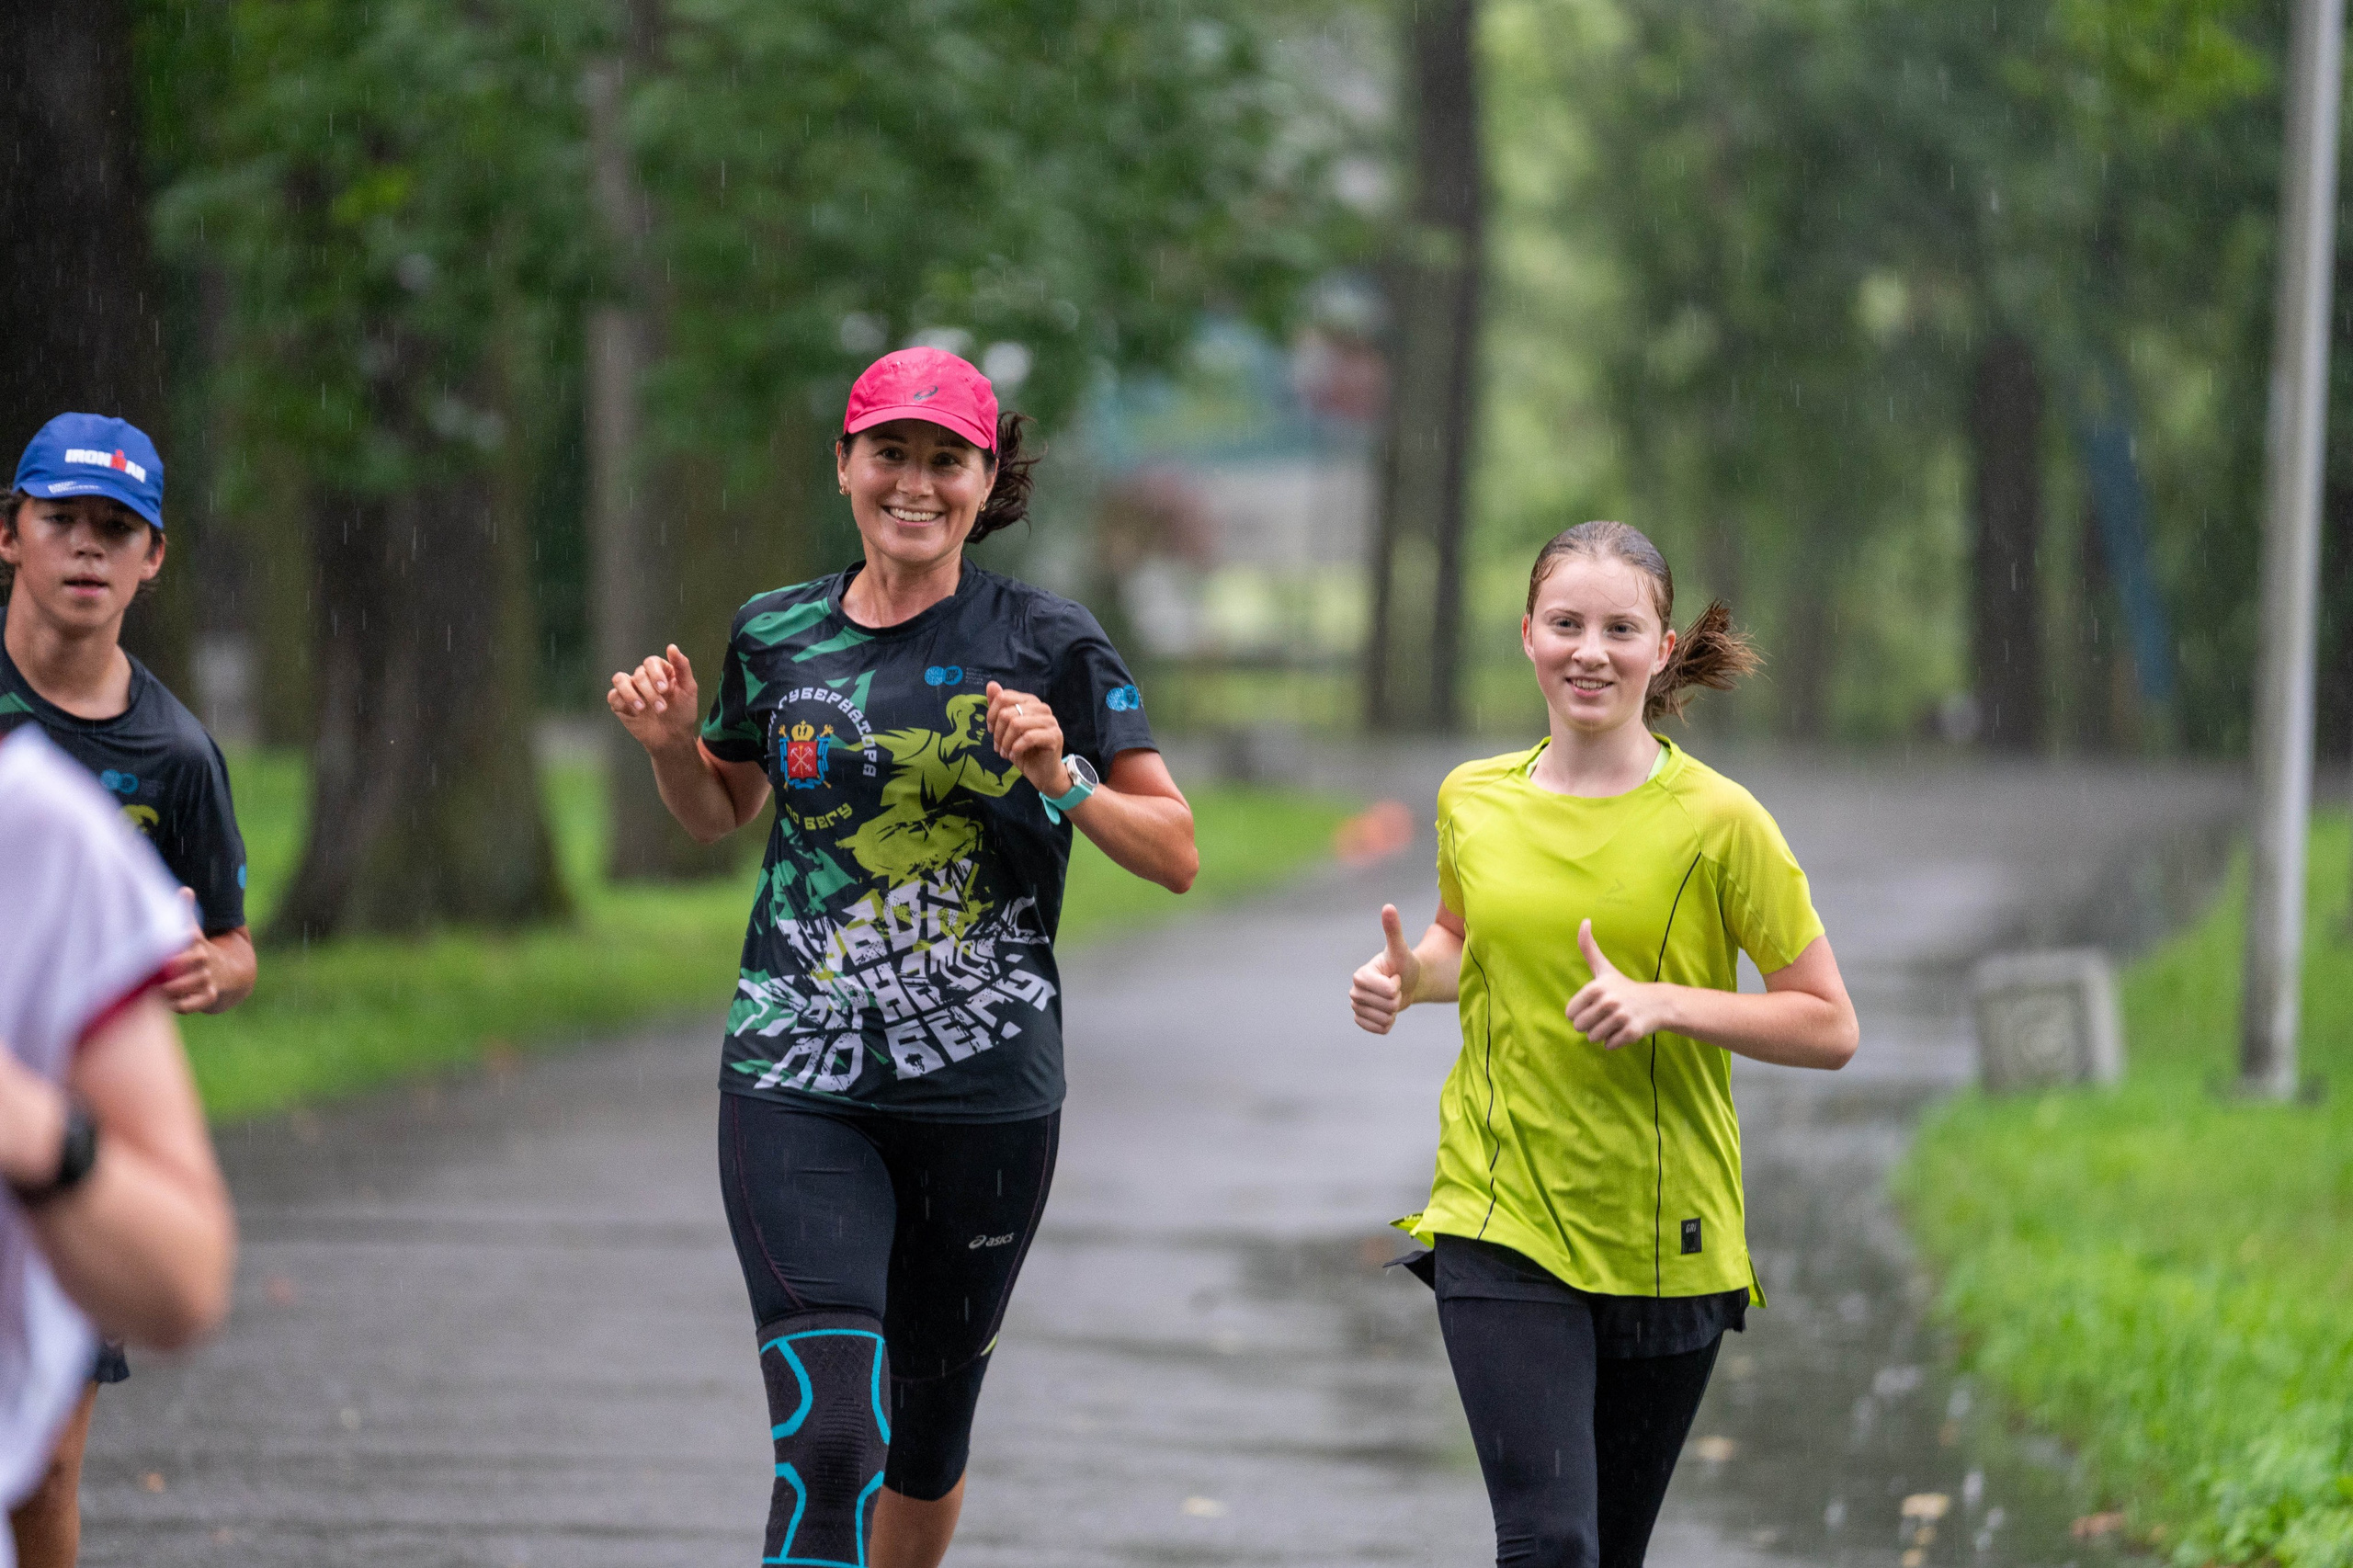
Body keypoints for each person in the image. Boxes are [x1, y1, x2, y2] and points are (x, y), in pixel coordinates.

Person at [607, 347, 1198, 1568]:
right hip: (795, 1075)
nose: (915, 483)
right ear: (845, 464)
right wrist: (672, 747)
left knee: (924, 1441)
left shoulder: (1052, 641)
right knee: (831, 1436)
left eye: (945, 460)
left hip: (985, 1096)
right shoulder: (774, 630)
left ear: (985, 483)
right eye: (890, 452)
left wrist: (1062, 776)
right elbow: (721, 809)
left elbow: (1175, 850)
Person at [1349, 519, 1859, 1568]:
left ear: (1662, 648)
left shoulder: (1722, 822)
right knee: (1550, 1544)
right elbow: (1463, 939)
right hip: (1497, 1212)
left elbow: (1828, 1022)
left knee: (1605, 1552)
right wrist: (1410, 977)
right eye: (1566, 624)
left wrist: (1668, 1002)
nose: (1590, 651)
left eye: (1620, 629)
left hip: (1663, 1229)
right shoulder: (1472, 797)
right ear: (1527, 634)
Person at [0, 414, 256, 1566]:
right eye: (62, 518)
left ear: (154, 557)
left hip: (76, 1133)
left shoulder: (174, 754)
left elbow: (235, 945)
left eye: (118, 527)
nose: (87, 547)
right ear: (10, 534)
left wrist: (212, 968)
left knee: (42, 1466)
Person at [0, 727, 238, 1568]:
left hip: (65, 1255)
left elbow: (188, 1280)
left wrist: (32, 1130)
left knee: (50, 1470)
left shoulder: (40, 827)